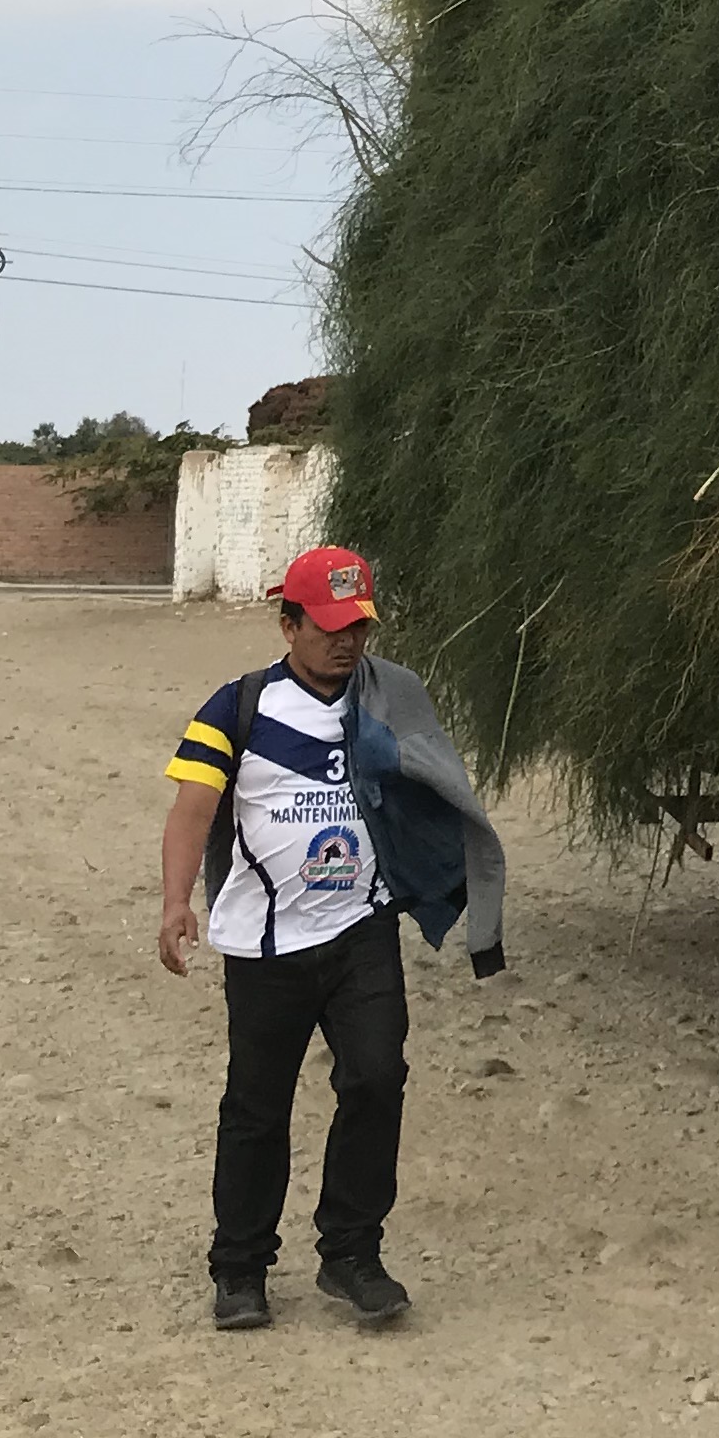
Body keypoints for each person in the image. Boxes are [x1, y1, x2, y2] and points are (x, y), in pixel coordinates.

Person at [158, 546, 508, 1333]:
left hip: (361, 930)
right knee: (256, 1107)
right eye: (328, 627)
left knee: (378, 1080)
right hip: (265, 948)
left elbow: (437, 781)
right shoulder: (236, 708)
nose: (347, 643)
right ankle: (240, 1270)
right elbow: (191, 811)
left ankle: (352, 1254)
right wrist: (177, 903)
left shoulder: (388, 702)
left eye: (359, 627)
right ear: (289, 624)